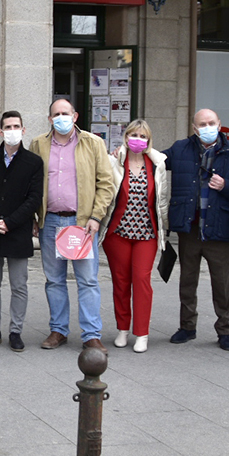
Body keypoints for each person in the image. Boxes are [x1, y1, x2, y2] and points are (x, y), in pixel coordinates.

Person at [30, 99, 115, 352]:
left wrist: (96, 216)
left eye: (65, 113)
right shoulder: (39, 144)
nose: (61, 117)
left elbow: (106, 183)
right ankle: (58, 330)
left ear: (75, 116)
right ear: (49, 119)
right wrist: (34, 217)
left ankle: (91, 335)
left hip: (82, 222)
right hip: (51, 220)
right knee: (54, 280)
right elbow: (32, 183)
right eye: (56, 114)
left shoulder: (93, 143)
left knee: (87, 280)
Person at [162, 108, 229, 350]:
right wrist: (127, 149)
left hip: (220, 226)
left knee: (222, 283)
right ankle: (187, 326)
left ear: (219, 123)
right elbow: (154, 158)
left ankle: (225, 330)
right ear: (194, 128)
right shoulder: (181, 148)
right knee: (187, 280)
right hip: (190, 226)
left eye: (211, 122)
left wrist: (227, 185)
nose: (207, 127)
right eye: (202, 124)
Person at [0, 111, 43, 352]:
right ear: (0, 131)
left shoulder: (34, 162)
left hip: (17, 231)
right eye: (7, 126)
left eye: (16, 126)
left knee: (19, 285)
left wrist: (9, 223)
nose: (12, 130)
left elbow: (34, 198)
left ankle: (16, 331)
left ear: (23, 130)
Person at [99, 119, 168, 353]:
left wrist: (164, 231)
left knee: (141, 280)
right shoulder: (114, 161)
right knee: (120, 282)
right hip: (118, 232)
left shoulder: (157, 163)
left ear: (149, 140)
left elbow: (163, 201)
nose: (138, 139)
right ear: (126, 137)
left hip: (146, 233)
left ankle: (142, 333)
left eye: (143, 136)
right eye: (134, 134)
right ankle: (122, 329)